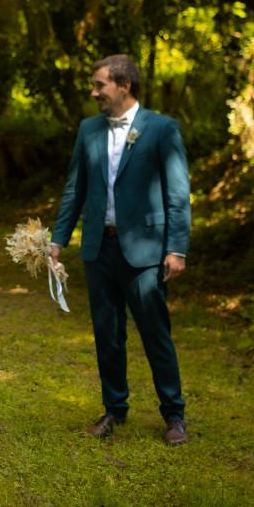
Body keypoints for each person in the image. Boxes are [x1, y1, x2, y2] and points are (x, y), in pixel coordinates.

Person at [49, 55, 191, 445]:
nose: (94, 92)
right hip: (99, 248)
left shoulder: (161, 129)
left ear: (124, 85)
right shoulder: (88, 129)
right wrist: (58, 239)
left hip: (145, 251)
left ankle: (174, 415)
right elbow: (74, 189)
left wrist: (176, 249)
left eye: (99, 85)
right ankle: (115, 409)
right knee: (107, 335)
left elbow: (178, 195)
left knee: (154, 334)